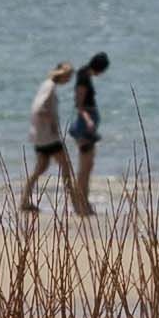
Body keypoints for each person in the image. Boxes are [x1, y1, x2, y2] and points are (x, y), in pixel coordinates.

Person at [22, 60, 80, 216]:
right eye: (68, 77)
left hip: (40, 136)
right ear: (62, 75)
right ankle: (76, 204)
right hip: (48, 137)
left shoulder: (47, 85)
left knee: (40, 168)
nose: (68, 80)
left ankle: (24, 201)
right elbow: (39, 109)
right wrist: (53, 123)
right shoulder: (50, 87)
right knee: (66, 167)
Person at [70, 50, 109, 214]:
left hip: (87, 125)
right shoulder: (83, 78)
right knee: (84, 168)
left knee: (88, 166)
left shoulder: (84, 74)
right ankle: (81, 204)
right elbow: (79, 105)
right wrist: (88, 121)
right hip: (85, 127)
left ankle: (84, 202)